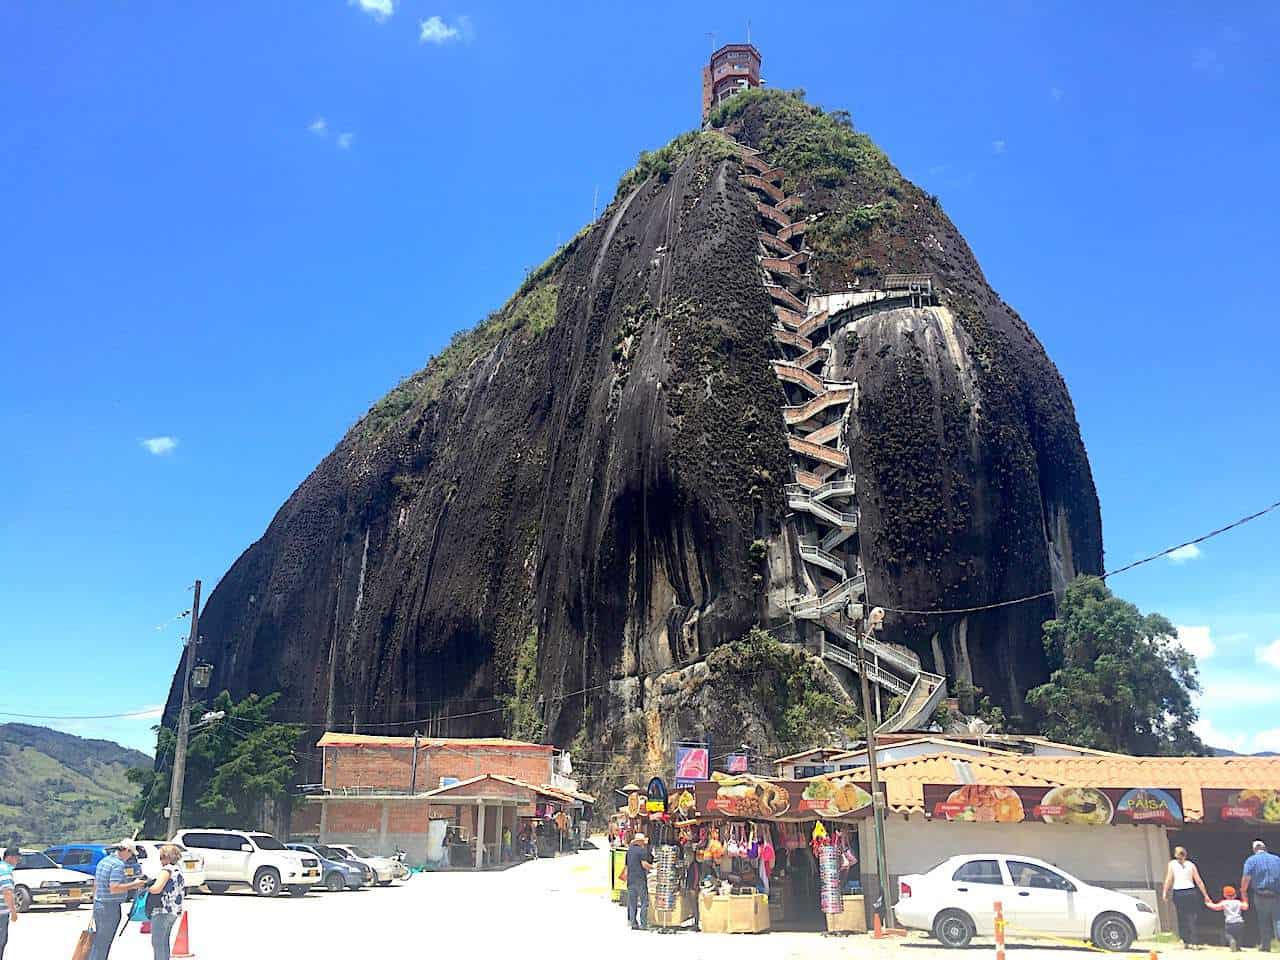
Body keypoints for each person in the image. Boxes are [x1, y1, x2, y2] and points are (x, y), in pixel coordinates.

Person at [90, 840, 147, 960]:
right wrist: (134, 885)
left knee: (99, 942)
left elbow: (96, 883)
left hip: (99, 904)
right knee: (104, 943)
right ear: (127, 851)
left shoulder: (104, 861)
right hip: (109, 907)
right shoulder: (118, 865)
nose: (131, 857)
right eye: (131, 854)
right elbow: (114, 888)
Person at [1164, 845, 1209, 947]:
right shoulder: (1191, 865)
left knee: (1181, 917)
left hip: (1179, 892)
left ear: (1175, 855)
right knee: (1192, 917)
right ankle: (1195, 942)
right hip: (1190, 891)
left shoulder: (1172, 864)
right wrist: (1205, 894)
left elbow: (1169, 879)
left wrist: (1165, 892)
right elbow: (1198, 880)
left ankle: (1185, 941)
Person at [147, 844, 186, 960]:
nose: (160, 861)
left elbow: (156, 889)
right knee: (164, 942)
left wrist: (145, 888)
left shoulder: (167, 870)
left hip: (162, 910)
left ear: (167, 857)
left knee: (157, 943)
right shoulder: (178, 870)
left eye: (161, 857)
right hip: (173, 910)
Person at [1242, 840, 1280, 952]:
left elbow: (1246, 877)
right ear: (1265, 848)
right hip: (1276, 894)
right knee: (1278, 920)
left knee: (1263, 921)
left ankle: (1265, 946)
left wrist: (1243, 891)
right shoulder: (1277, 859)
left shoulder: (1251, 860)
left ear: (1254, 849)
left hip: (1260, 894)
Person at [1206, 885, 1249, 952]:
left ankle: (1231, 941)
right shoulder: (1238, 902)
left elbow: (1216, 907)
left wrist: (1208, 904)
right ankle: (1238, 947)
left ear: (1224, 895)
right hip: (1239, 922)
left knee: (1228, 934)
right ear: (1235, 895)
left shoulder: (1224, 903)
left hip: (1229, 922)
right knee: (1239, 936)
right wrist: (1245, 898)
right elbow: (1245, 907)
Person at [624, 832, 653, 931]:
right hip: (640, 879)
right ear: (640, 841)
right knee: (644, 902)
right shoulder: (642, 851)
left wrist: (626, 879)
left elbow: (626, 868)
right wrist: (653, 867)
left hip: (631, 880)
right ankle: (643, 923)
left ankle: (633, 923)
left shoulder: (629, 851)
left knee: (632, 903)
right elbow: (644, 864)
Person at [0, 846, 19, 960]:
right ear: (10, 858)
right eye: (17, 858)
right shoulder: (5, 870)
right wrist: (13, 911)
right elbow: (7, 892)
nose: (18, 861)